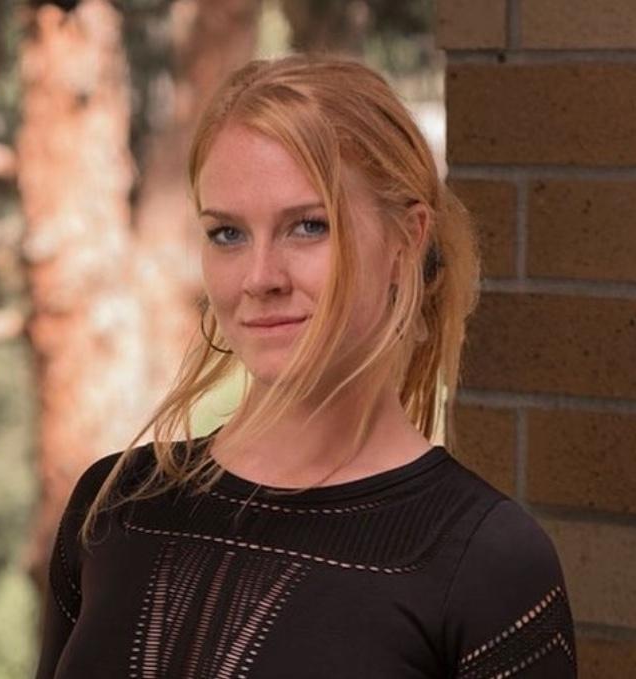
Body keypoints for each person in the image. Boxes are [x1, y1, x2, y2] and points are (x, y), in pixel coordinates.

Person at [35, 54, 577, 679]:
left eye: (309, 227)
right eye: (227, 234)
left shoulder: (487, 562)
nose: (260, 277)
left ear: (405, 242)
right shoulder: (116, 504)